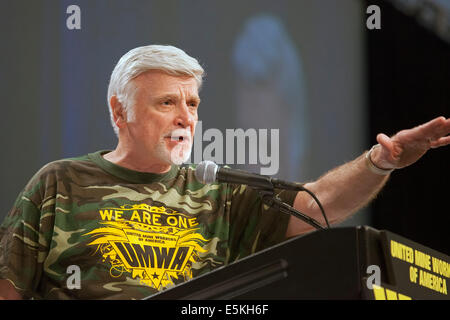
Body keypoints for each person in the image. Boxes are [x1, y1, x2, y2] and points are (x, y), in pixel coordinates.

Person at [0, 45, 449, 300]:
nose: (185, 117)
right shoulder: (60, 182)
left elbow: (318, 205)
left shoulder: (218, 192)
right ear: (120, 111)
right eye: (166, 103)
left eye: (192, 103)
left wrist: (380, 161)